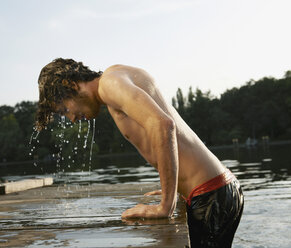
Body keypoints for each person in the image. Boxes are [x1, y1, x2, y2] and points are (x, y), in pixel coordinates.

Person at [36, 58, 244, 247]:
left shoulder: (110, 84)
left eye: (64, 109)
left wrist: (165, 205)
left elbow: (163, 125)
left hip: (210, 195)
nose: (71, 118)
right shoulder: (119, 74)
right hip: (217, 189)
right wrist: (173, 187)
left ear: (70, 84)